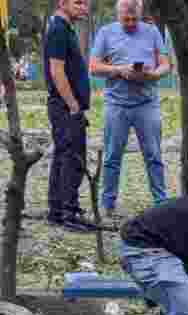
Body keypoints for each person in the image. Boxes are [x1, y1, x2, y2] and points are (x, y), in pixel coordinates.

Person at [88, 0, 171, 221]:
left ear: (140, 14)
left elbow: (165, 64)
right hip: (116, 104)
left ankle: (161, 204)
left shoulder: (152, 31)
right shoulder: (105, 33)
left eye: (135, 19)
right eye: (126, 19)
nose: (131, 23)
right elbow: (94, 67)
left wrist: (153, 74)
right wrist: (118, 70)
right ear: (118, 15)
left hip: (147, 103)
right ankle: (108, 205)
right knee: (112, 156)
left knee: (153, 155)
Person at [43, 0, 95, 233]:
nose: (84, 7)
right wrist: (73, 106)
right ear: (62, 3)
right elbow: (56, 71)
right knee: (72, 158)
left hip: (67, 106)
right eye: (78, 2)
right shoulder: (57, 29)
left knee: (63, 155)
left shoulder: (65, 29)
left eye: (85, 3)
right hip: (65, 107)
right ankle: (68, 213)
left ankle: (57, 211)